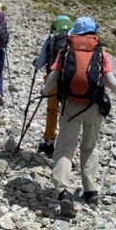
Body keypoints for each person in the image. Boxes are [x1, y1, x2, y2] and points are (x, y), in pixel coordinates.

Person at [40, 16, 116, 217]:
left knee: (64, 149)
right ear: (93, 33)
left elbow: (53, 76)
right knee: (89, 146)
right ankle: (90, 191)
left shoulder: (65, 51)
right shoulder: (100, 53)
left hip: (70, 105)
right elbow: (110, 80)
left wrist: (44, 91)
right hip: (94, 106)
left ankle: (63, 192)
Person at [32, 15, 75, 155]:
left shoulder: (51, 38)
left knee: (52, 110)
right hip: (72, 81)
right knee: (68, 112)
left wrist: (36, 63)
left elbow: (40, 62)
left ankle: (49, 141)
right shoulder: (76, 40)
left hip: (52, 78)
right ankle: (66, 144)